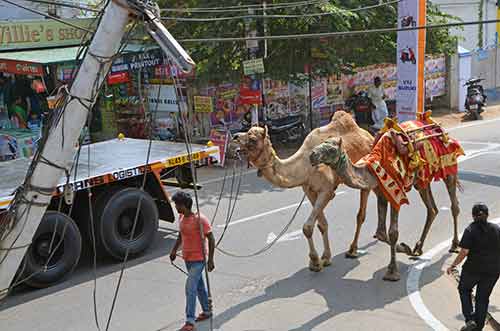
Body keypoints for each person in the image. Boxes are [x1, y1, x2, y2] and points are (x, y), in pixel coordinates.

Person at [447, 203, 500, 331]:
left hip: (472, 269)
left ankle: (470, 320)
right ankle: (478, 327)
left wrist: (453, 265)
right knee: (482, 298)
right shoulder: (496, 229)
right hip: (493, 271)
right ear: (487, 215)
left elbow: (464, 252)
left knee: (464, 290)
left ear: (473, 216)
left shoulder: (470, 230)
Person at [169, 191, 215, 331]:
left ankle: (190, 321)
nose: (176, 206)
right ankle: (207, 311)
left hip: (199, 259)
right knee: (199, 286)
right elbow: (181, 235)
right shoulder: (182, 217)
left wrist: (211, 260)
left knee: (190, 288)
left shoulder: (200, 219)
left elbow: (211, 238)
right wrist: (174, 250)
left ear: (184, 205)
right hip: (187, 258)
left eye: (177, 204)